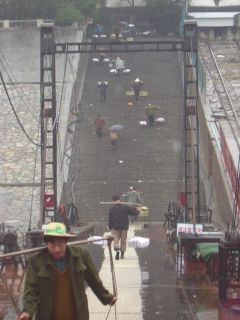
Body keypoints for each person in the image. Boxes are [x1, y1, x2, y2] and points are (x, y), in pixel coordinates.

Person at [18, 222, 116, 320]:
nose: (57, 249)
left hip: (76, 315)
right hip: (48, 315)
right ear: (47, 243)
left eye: (60, 244)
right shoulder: (37, 261)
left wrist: (108, 298)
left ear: (66, 242)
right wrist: (27, 311)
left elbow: (94, 280)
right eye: (52, 245)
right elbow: (31, 290)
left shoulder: (81, 256)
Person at [108, 195, 139, 260]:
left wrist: (110, 226)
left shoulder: (111, 209)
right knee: (123, 241)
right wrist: (137, 211)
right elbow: (132, 212)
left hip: (115, 227)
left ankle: (117, 249)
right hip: (124, 227)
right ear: (120, 200)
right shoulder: (125, 207)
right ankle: (122, 255)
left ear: (113, 201)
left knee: (115, 240)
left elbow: (110, 219)